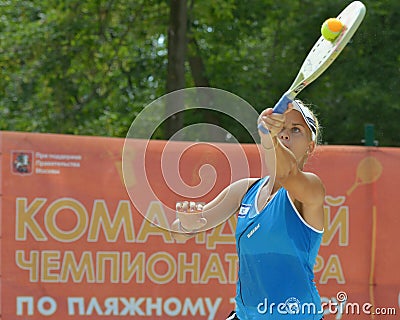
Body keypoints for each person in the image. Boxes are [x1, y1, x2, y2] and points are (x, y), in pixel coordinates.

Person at [172, 100, 325, 319]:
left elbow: (287, 174)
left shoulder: (312, 188)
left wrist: (268, 136)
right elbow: (180, 233)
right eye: (280, 128)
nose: (285, 134)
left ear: (310, 147)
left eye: (296, 130)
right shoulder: (245, 190)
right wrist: (187, 223)